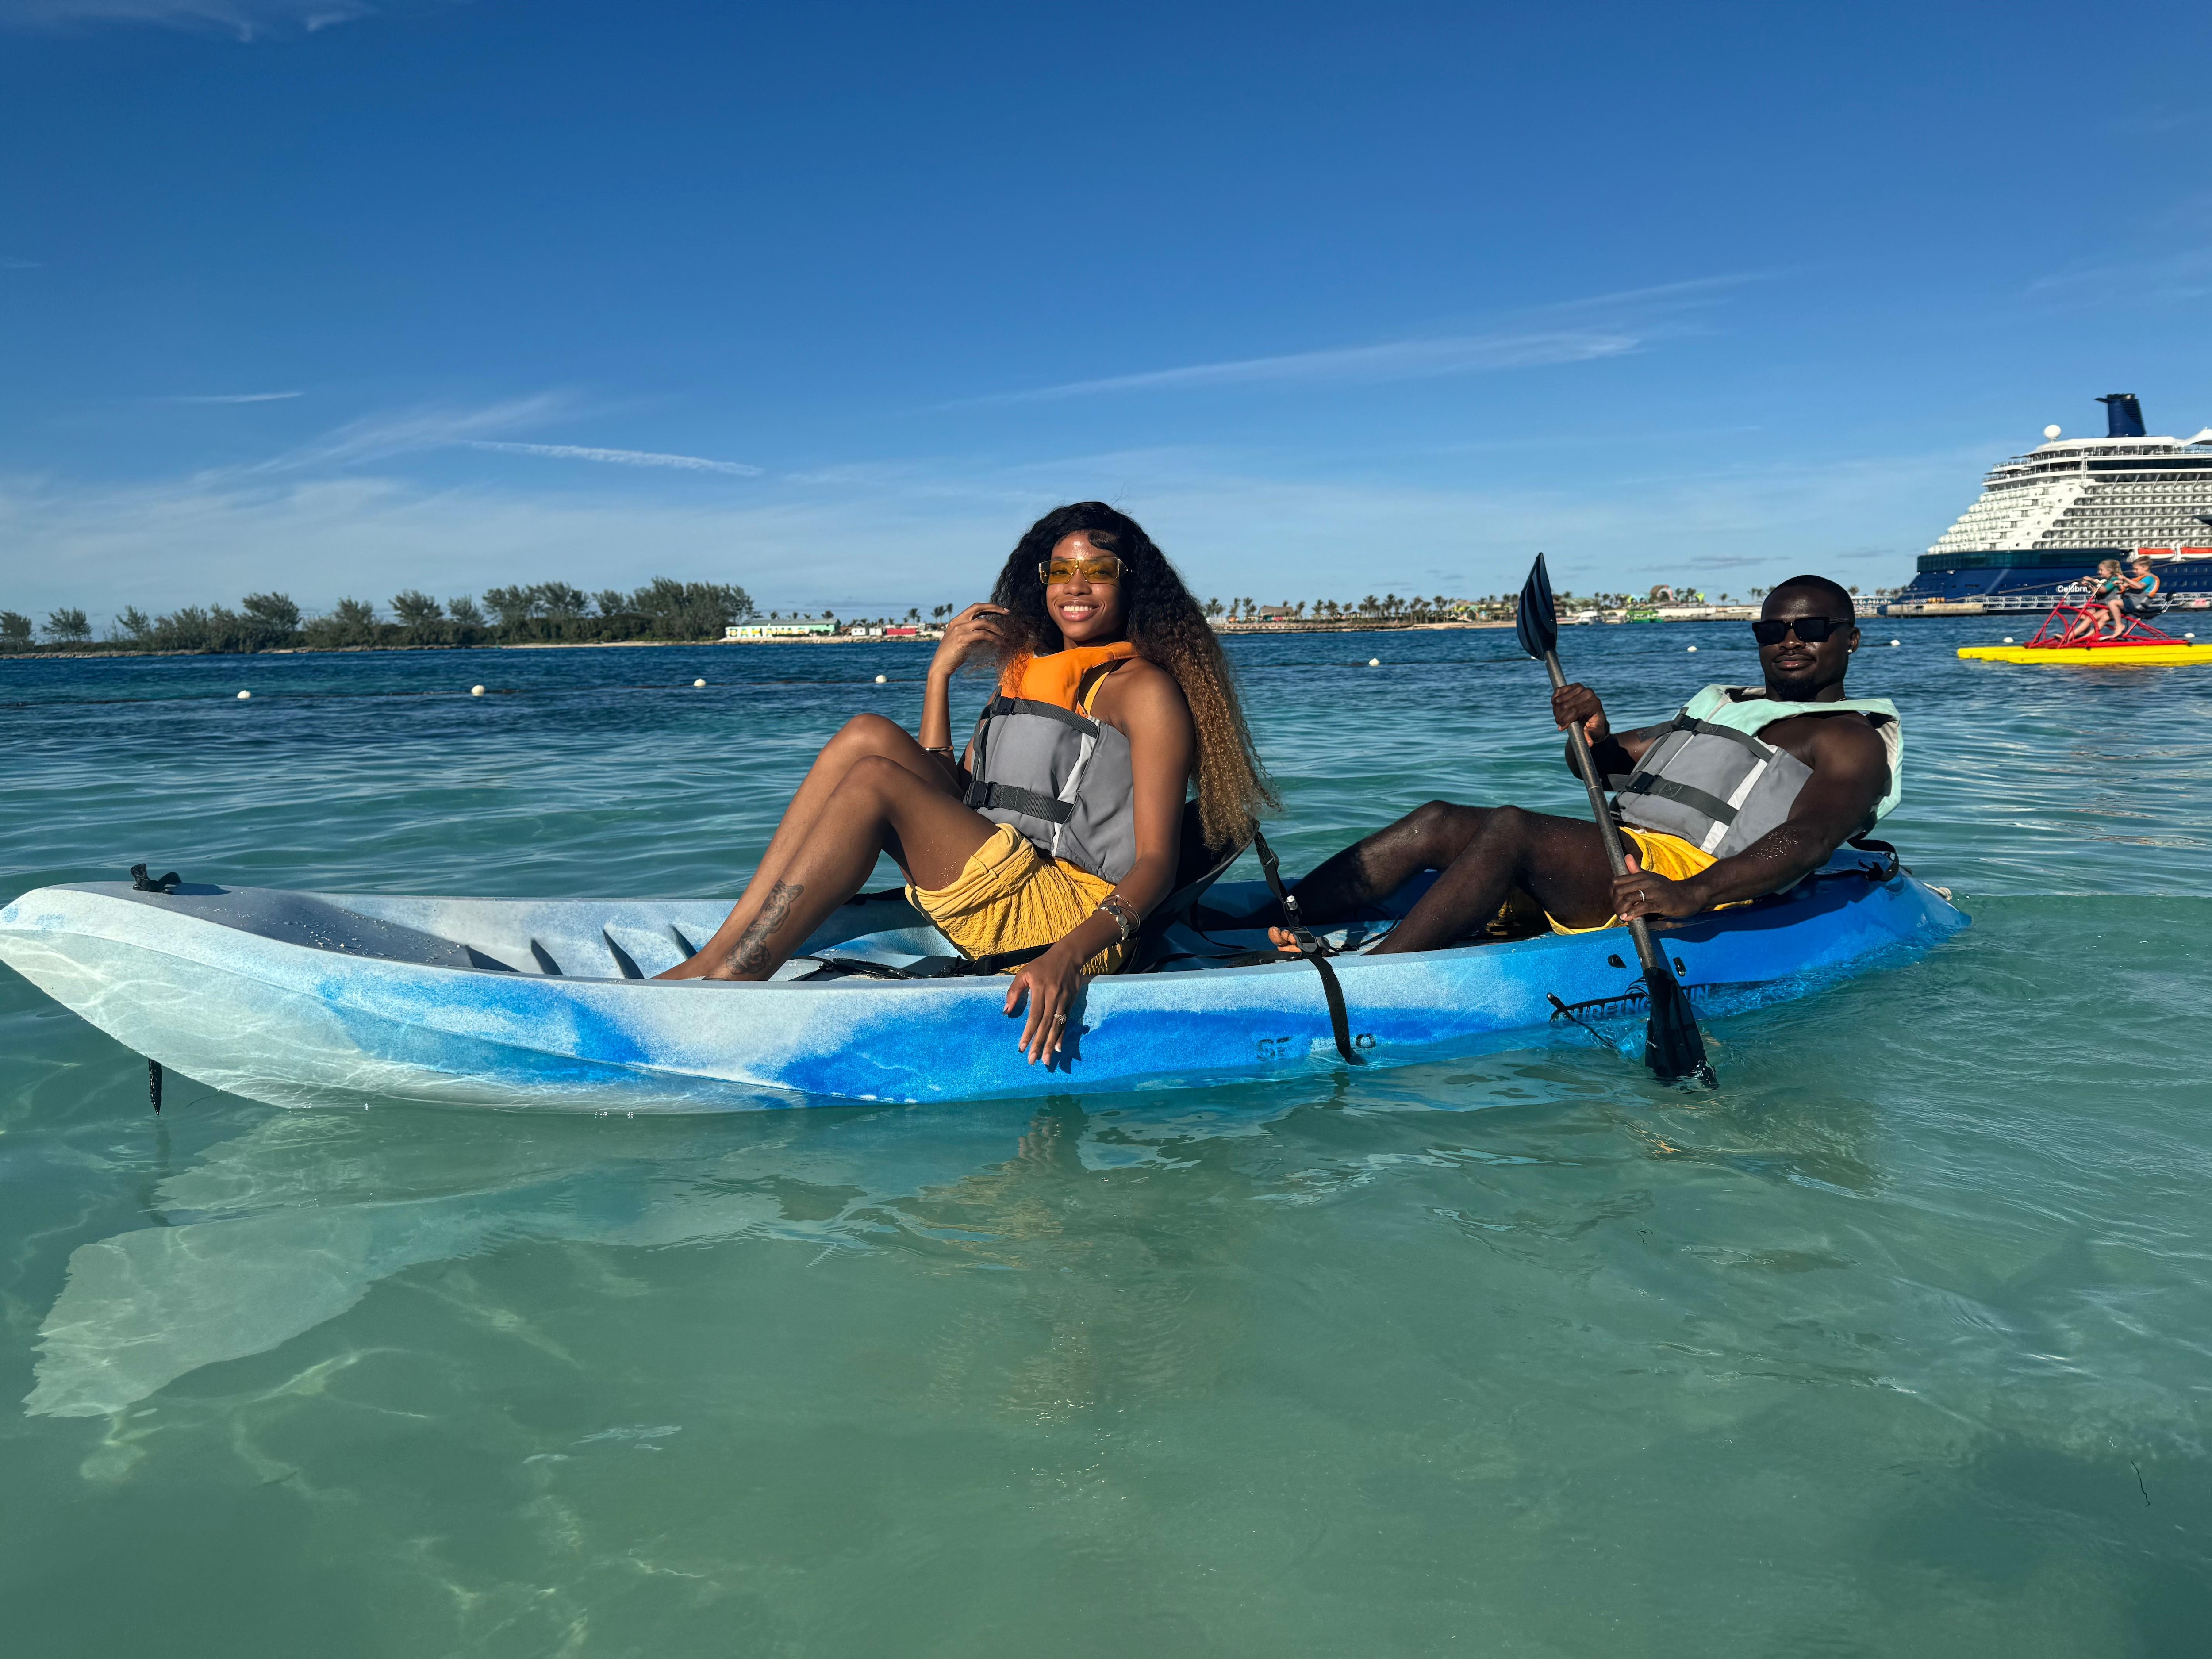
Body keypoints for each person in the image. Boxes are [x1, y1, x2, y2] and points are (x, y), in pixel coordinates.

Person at [657, 503, 1275, 1064]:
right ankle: (714, 958)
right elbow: (954, 794)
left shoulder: (1144, 690)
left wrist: (1065, 956)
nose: (1075, 587)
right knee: (865, 735)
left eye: (1098, 572)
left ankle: (733, 984)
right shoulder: (1028, 673)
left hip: (1069, 917)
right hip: (1007, 875)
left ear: (1130, 583)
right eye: (1060, 572)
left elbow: (1156, 865)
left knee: (873, 782)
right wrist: (939, 678)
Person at [1242, 574, 1902, 952]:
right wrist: (1592, 730)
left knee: (1513, 827)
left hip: (1686, 870)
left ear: (1850, 639)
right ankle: (1263, 917)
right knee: (1439, 819)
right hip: (1624, 849)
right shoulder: (1725, 706)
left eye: (1811, 629)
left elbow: (1810, 838)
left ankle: (1379, 973)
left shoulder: (1849, 738)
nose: (1789, 641)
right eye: (1772, 630)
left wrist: (1695, 892)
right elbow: (1594, 764)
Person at [2063, 559, 2125, 641]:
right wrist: (2088, 585)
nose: (2099, 572)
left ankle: (2068, 637)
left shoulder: (2115, 580)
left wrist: (2091, 580)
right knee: (2083, 615)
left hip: (2110, 609)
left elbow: (2104, 590)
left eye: (2101, 570)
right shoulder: (2107, 581)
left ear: (2110, 571)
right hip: (2103, 607)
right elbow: (2097, 591)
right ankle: (2084, 636)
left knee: (2090, 619)